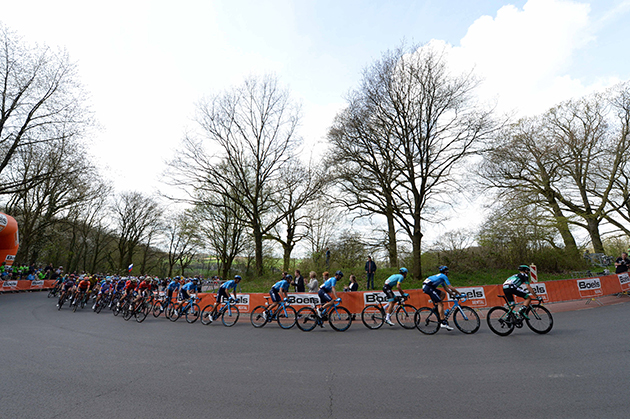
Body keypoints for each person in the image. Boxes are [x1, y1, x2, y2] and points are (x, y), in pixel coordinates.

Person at [422, 266, 460, 331]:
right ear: (445, 272)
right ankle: (442, 322)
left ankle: (437, 307)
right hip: (428, 287)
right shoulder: (444, 276)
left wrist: (453, 294)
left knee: (443, 294)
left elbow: (446, 289)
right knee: (440, 303)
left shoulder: (441, 278)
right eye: (447, 271)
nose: (448, 273)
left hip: (430, 287)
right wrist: (459, 294)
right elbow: (450, 287)